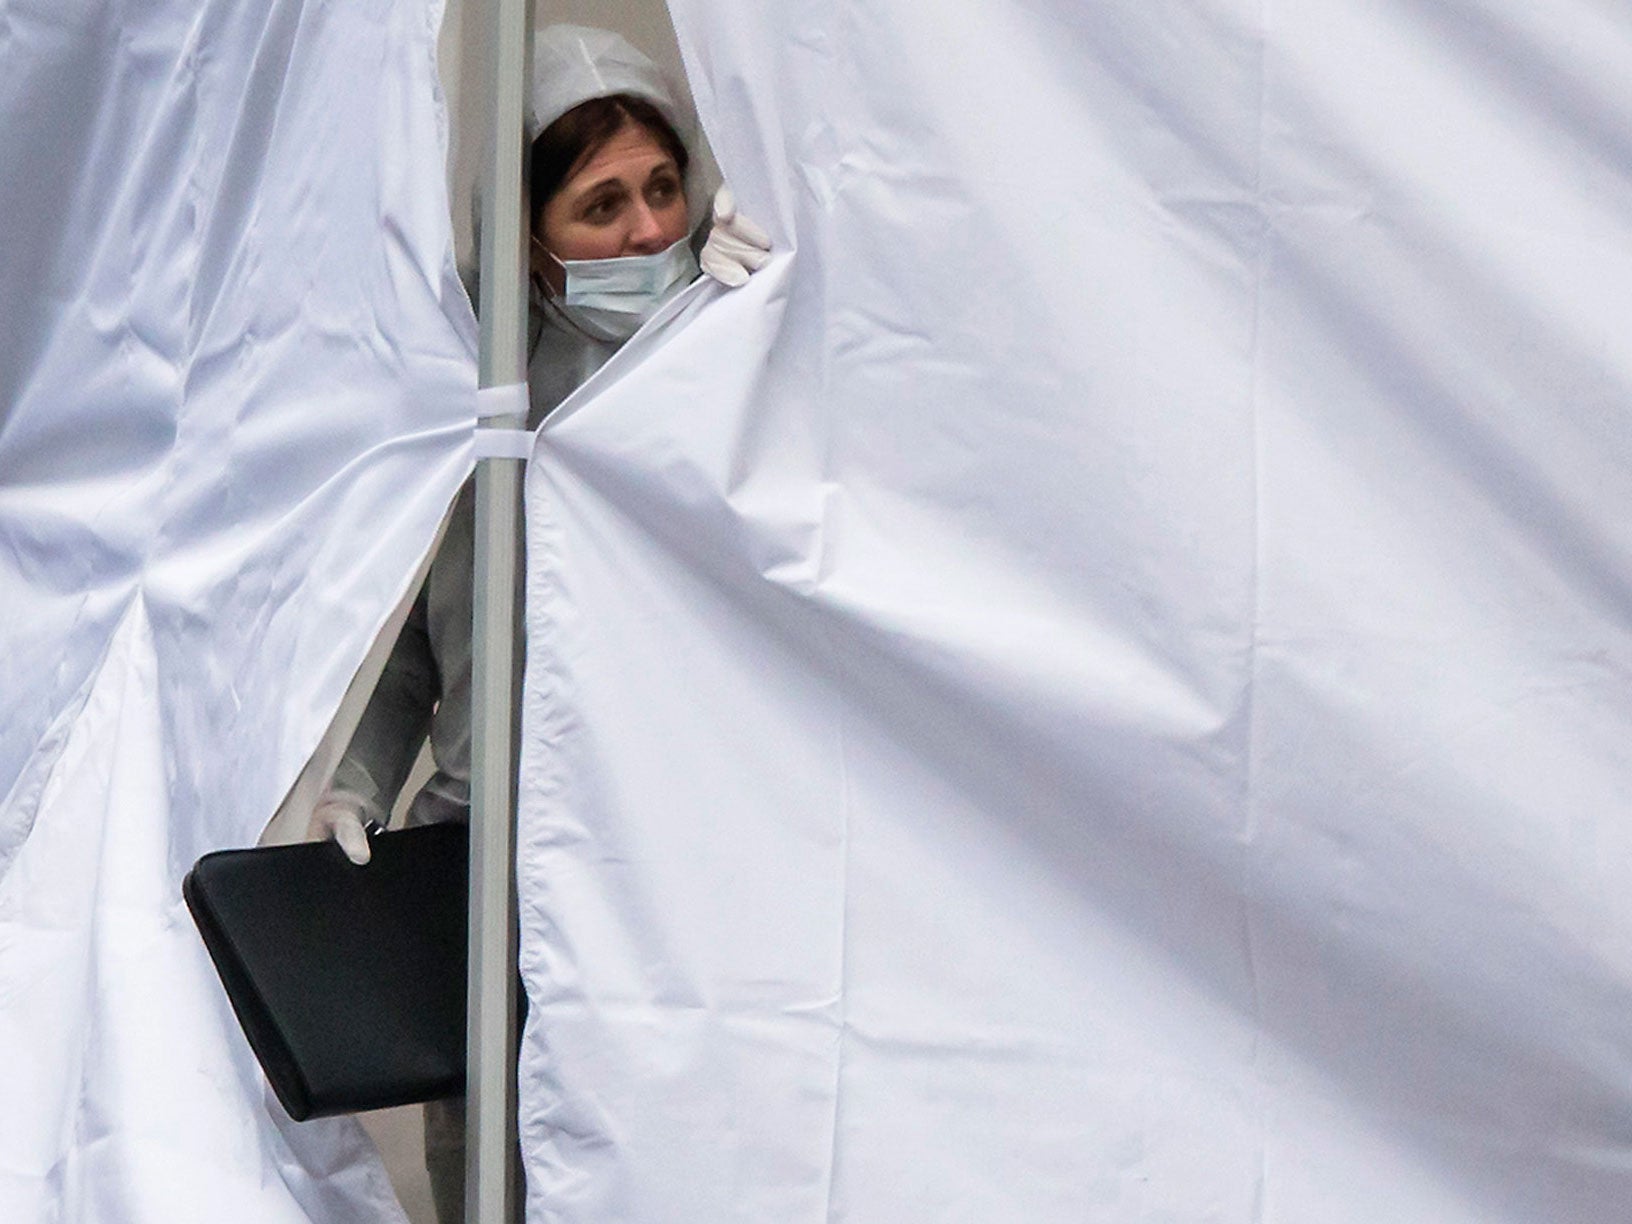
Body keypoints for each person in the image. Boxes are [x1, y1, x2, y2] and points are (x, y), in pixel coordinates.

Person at [304, 24, 771, 1222]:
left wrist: (757, 339)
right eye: (600, 204)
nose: (648, 232)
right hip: (481, 845)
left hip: (648, 856)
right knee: (486, 1160)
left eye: (663, 188)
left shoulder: (727, 365)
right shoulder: (484, 397)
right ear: (529, 235)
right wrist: (360, 779)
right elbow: (436, 630)